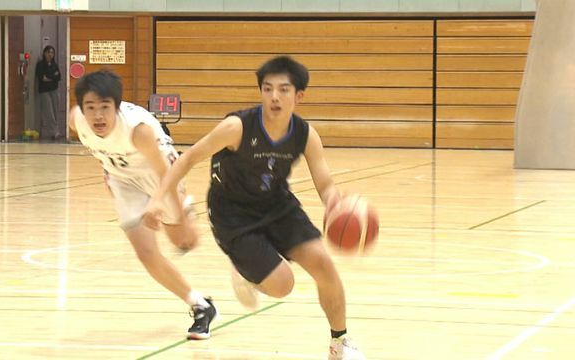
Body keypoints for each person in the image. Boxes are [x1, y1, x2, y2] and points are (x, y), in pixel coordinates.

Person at [144, 56, 365, 359]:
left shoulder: (305, 135)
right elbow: (188, 158)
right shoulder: (236, 127)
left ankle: (339, 344)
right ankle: (244, 269)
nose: (275, 97)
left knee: (323, 264)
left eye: (284, 90)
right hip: (233, 214)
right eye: (268, 89)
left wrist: (335, 203)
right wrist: (157, 200)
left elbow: (324, 182)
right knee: (282, 286)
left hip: (277, 204)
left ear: (299, 96)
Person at [68, 70, 217, 340]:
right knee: (146, 252)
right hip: (123, 179)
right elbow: (100, 147)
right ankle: (200, 305)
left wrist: (159, 204)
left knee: (184, 240)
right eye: (90, 108)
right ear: (81, 108)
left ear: (116, 106)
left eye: (105, 107)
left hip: (159, 173)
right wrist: (107, 169)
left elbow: (165, 173)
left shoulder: (138, 132)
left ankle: (185, 210)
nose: (98, 116)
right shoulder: (76, 121)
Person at [36, 45, 62, 141]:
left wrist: (50, 77)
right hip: (44, 91)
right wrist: (52, 76)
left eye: (52, 52)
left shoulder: (55, 64)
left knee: (55, 111)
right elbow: (43, 78)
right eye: (48, 52)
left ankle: (55, 131)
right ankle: (54, 132)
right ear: (44, 53)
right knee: (49, 112)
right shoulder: (40, 65)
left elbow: (58, 77)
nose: (50, 54)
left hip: (54, 90)